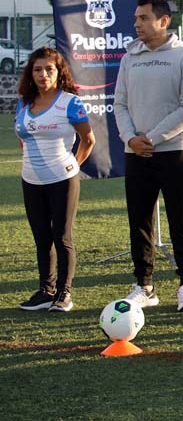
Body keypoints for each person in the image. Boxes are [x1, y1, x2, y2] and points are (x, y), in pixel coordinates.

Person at [113, 0, 183, 311]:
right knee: (139, 220)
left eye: (143, 18)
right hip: (136, 152)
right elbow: (120, 103)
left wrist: (150, 138)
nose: (136, 24)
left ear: (164, 21)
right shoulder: (130, 58)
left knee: (182, 220)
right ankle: (144, 285)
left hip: (173, 152)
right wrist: (130, 138)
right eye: (136, 18)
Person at [16, 48, 95, 312]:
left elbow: (88, 140)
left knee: (61, 237)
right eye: (37, 69)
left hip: (62, 179)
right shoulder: (24, 102)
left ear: (59, 72)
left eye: (49, 69)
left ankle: (64, 293)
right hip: (31, 180)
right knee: (41, 238)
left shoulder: (70, 102)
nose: (43, 75)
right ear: (31, 73)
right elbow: (22, 139)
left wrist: (75, 164)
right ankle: (45, 292)